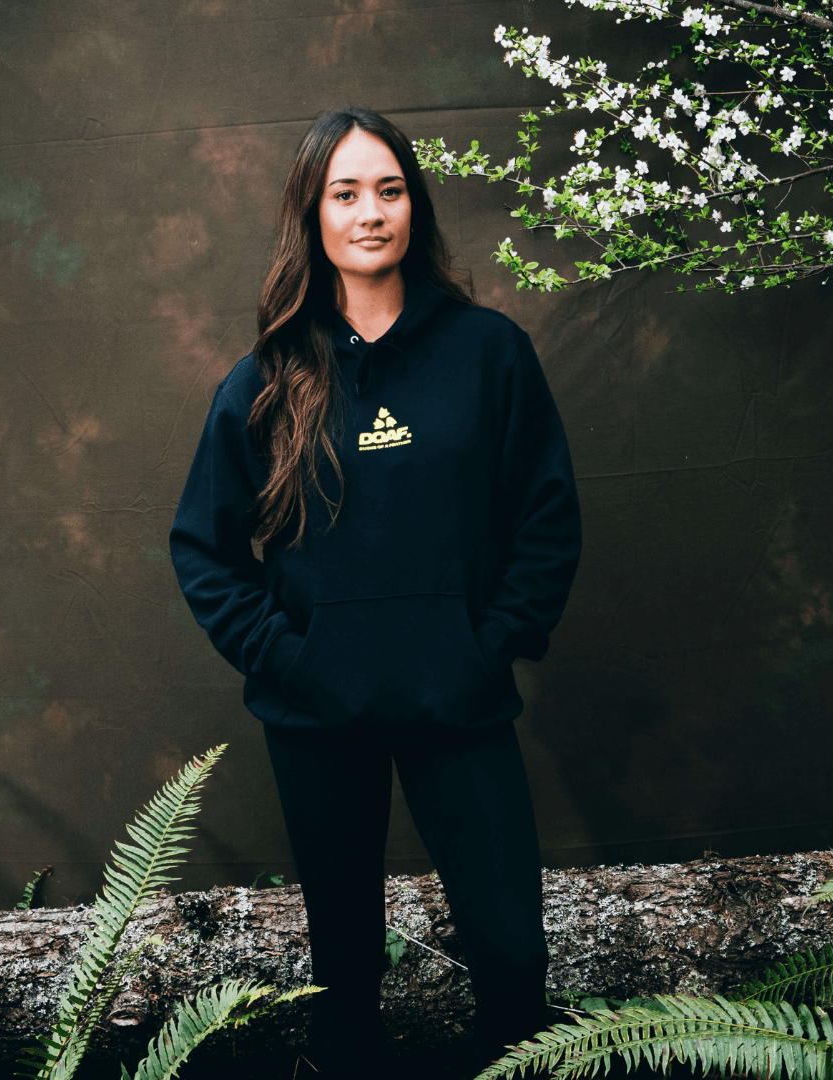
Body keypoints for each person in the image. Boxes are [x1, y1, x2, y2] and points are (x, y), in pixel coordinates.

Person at [170, 107, 581, 1079]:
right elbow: (203, 548)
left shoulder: (488, 353)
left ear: (414, 207)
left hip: (458, 697)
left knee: (514, 958)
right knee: (345, 980)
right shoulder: (267, 379)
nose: (370, 212)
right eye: (346, 193)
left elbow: (546, 517)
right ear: (312, 216)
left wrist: (489, 642)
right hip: (319, 714)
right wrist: (293, 658)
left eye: (389, 190)